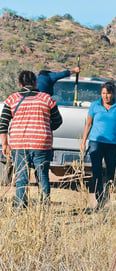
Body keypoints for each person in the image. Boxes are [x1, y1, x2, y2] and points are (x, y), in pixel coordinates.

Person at [0, 70, 63, 209]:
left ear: (20, 83)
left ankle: (20, 206)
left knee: (21, 177)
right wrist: (45, 125)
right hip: (41, 143)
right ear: (35, 82)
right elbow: (58, 121)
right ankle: (43, 207)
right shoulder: (47, 99)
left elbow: (3, 124)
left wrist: (4, 144)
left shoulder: (12, 99)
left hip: (18, 143)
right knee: (42, 175)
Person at [80, 81, 116, 210]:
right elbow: (88, 124)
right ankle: (99, 197)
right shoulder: (94, 105)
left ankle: (106, 194)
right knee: (96, 171)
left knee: (111, 171)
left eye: (108, 93)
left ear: (113, 94)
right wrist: (83, 142)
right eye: (103, 93)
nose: (105, 96)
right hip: (96, 142)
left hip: (113, 144)